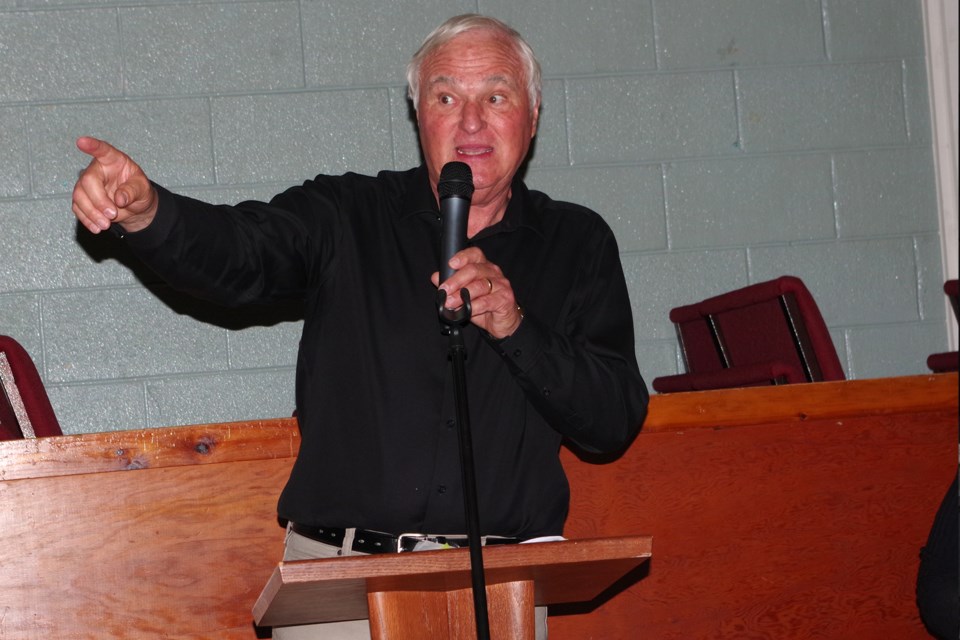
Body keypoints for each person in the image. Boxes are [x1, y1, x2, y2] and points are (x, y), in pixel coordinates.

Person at [71, 14, 648, 638]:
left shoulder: (579, 241)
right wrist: (150, 211)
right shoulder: (347, 216)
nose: (471, 122)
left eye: (496, 97)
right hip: (338, 591)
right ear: (418, 114)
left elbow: (611, 420)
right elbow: (238, 255)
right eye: (446, 96)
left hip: (497, 590)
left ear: (531, 117)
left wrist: (515, 327)